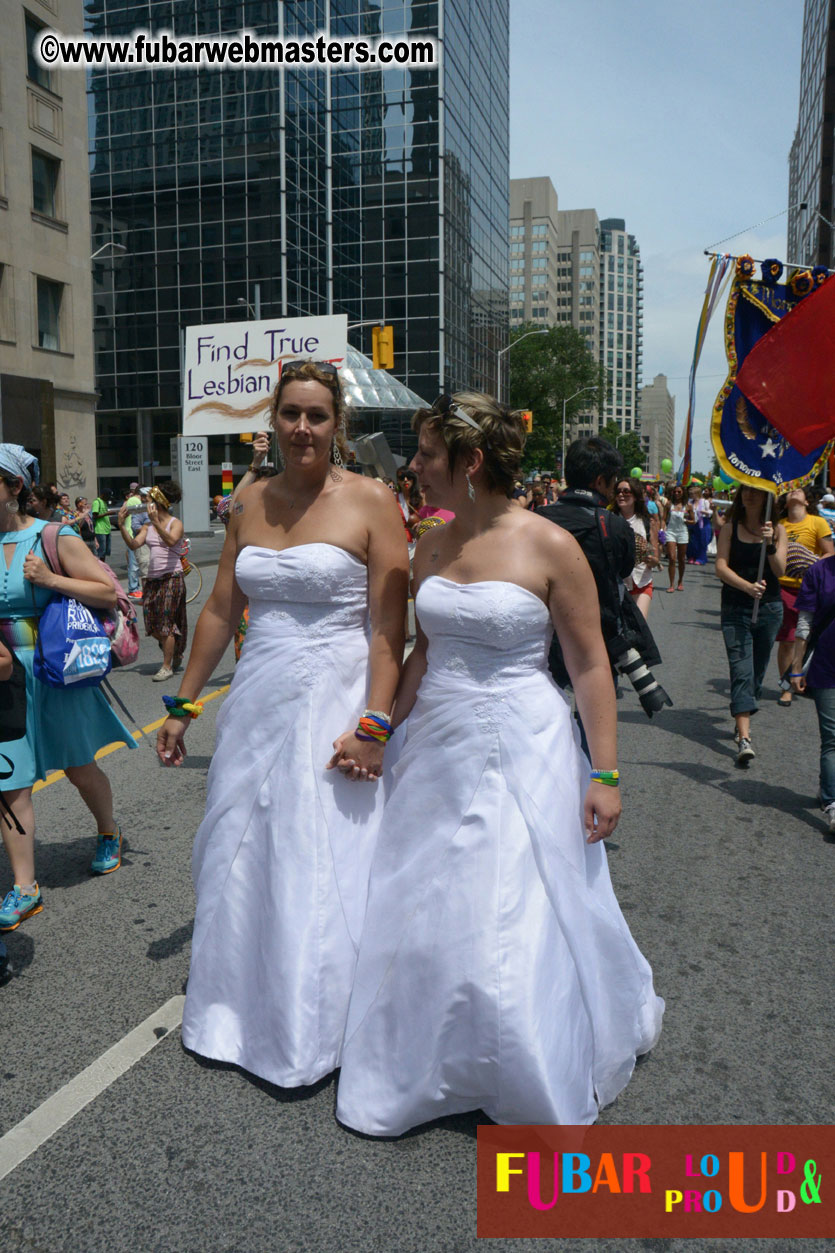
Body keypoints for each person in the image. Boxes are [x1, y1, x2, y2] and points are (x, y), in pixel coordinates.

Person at [334, 393, 663, 1134]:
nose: (412, 467)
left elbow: (587, 666)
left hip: (528, 739)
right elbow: (423, 650)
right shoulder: (430, 543)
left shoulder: (549, 545)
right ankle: (426, 1049)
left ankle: (518, 1056)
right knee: (428, 895)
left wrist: (604, 774)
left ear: (469, 462)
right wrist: (379, 726)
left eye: (424, 454)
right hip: (438, 744)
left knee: (515, 902)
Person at [157, 360, 408, 1088]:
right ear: (273, 421)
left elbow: (390, 629)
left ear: (339, 426)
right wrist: (183, 703)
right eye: (291, 413)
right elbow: (218, 609)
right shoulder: (247, 501)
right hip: (259, 696)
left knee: (320, 849)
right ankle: (236, 1005)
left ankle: (320, 1019)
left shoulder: (372, 500)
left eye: (317, 415)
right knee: (247, 842)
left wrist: (374, 722)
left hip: (337, 696)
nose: (303, 427)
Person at [0, 445, 134, 931]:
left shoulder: (52, 536)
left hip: (56, 666)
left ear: (15, 488)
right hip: (4, 677)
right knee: (9, 782)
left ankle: (108, 831)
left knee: (79, 766)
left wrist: (50, 578)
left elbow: (106, 592)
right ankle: (25, 887)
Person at [715, 485, 787, 767]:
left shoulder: (778, 531)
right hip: (735, 608)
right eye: (745, 490)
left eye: (756, 491)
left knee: (757, 672)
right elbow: (720, 567)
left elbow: (780, 570)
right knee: (741, 669)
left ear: (768, 498)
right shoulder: (730, 528)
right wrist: (747, 587)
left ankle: (743, 710)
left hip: (769, 609)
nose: (749, 495)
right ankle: (744, 737)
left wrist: (770, 544)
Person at [118, 482, 187, 680]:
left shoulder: (175, 523)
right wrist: (122, 525)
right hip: (152, 579)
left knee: (165, 624)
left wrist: (156, 522)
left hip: (172, 577)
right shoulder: (147, 527)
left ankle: (166, 666)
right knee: (151, 624)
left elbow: (172, 541)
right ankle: (173, 648)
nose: (145, 504)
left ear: (159, 503)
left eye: (148, 501)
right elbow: (133, 545)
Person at [774, 487, 834, 708]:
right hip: (784, 587)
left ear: (807, 502)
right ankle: (786, 686)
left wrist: (807, 562)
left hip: (812, 589)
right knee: (788, 638)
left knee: (812, 635)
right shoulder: (780, 524)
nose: (793, 492)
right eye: (790, 491)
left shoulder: (817, 523)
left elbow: (829, 553)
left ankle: (807, 674)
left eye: (799, 491)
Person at [790, 555, 835, 831]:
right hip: (826, 666)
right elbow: (804, 623)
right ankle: (832, 802)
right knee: (832, 737)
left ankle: (828, 786)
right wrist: (796, 668)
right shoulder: (819, 572)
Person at [612, 477, 661, 621]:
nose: (621, 494)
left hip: (642, 582)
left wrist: (652, 560)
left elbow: (655, 556)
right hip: (617, 585)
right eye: (618, 491)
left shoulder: (647, 522)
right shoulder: (609, 520)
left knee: (639, 626)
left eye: (626, 491)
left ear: (635, 495)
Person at [664, 484, 689, 591]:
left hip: (682, 532)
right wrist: (662, 530)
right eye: (675, 492)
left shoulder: (688, 506)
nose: (677, 493)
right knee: (672, 558)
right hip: (671, 532)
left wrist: (687, 520)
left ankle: (680, 581)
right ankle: (671, 584)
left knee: (681, 559)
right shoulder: (669, 504)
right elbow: (663, 519)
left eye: (679, 492)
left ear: (683, 493)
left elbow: (694, 520)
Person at [123, 482, 143, 598]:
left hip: (133, 534)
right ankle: (133, 589)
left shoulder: (131, 500)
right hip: (133, 534)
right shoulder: (135, 501)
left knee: (135, 563)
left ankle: (135, 587)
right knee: (134, 564)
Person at [91, 489, 112, 561]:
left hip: (107, 529)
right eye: (108, 496)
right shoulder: (97, 502)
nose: (109, 498)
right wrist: (107, 513)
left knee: (106, 551)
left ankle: (103, 565)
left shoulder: (104, 502)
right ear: (103, 495)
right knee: (101, 551)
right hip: (100, 530)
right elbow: (94, 516)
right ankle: (100, 567)